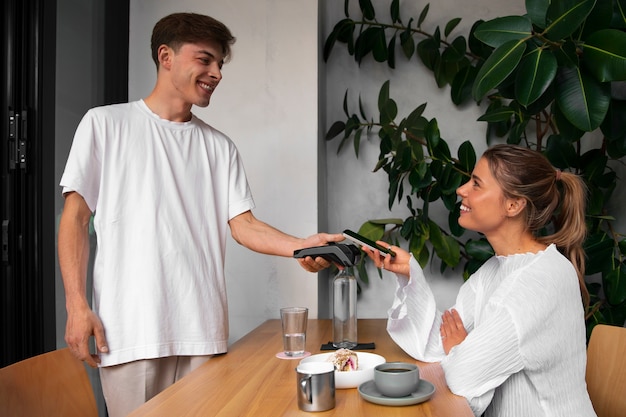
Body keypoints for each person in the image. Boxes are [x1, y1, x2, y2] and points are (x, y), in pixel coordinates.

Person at [57, 12, 342, 417]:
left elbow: (243, 226)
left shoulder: (219, 147)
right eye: (206, 59)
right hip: (130, 333)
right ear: (165, 56)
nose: (216, 73)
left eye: (220, 64)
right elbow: (74, 219)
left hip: (203, 334)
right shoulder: (105, 125)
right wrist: (76, 305)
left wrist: (301, 246)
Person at [362, 144, 596, 416]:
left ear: (513, 204)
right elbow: (439, 344)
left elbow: (463, 375)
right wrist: (410, 275)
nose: (461, 190)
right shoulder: (495, 269)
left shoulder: (538, 281)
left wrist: (462, 349)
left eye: (476, 184)